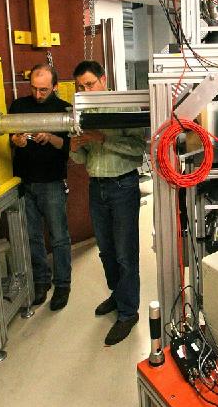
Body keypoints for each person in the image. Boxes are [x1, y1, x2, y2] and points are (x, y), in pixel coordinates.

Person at [70, 60, 146, 345]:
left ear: (104, 79)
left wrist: (103, 139)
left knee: (126, 253)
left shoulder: (124, 106)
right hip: (97, 187)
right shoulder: (83, 110)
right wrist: (75, 148)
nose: (85, 90)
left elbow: (139, 150)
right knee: (106, 251)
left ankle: (128, 313)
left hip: (123, 185)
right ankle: (118, 295)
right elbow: (80, 159)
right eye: (80, 86)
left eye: (89, 84)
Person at [9, 64, 72, 311]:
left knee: (58, 237)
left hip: (52, 182)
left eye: (43, 90)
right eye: (34, 89)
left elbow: (70, 147)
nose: (38, 95)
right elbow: (9, 136)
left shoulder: (63, 110)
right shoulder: (18, 107)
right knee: (32, 237)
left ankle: (63, 285)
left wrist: (52, 137)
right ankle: (41, 283)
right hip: (24, 182)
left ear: (55, 87)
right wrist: (16, 140)